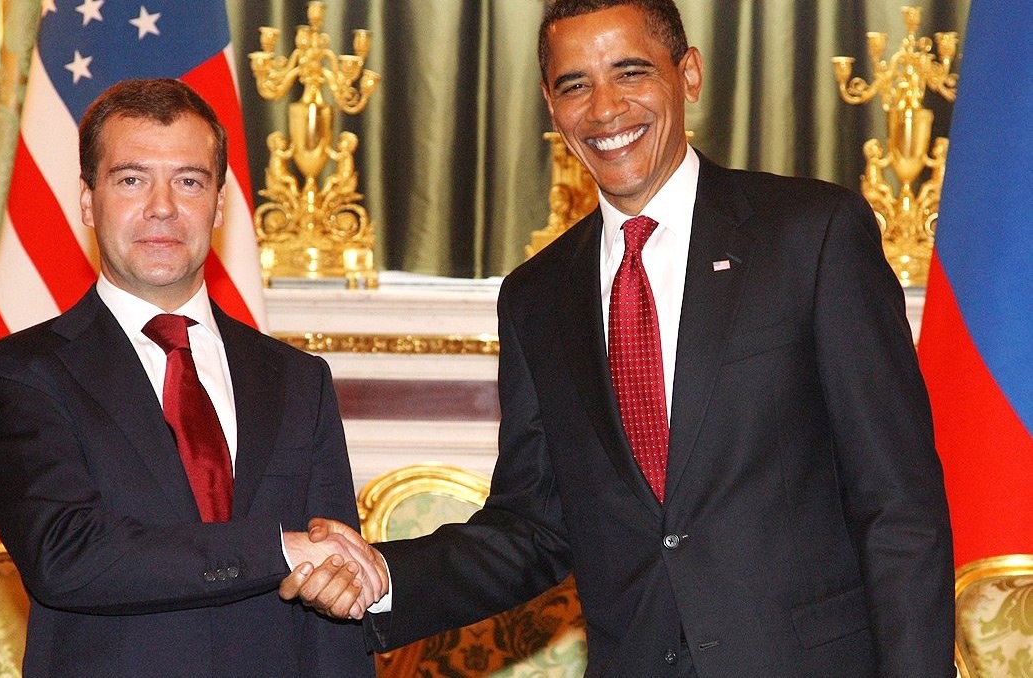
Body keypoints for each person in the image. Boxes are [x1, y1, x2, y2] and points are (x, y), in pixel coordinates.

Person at [285, 1, 955, 676]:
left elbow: (897, 504)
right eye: (574, 84)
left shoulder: (811, 234)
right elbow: (534, 527)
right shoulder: (536, 296)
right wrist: (382, 574)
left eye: (629, 72)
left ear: (687, 74)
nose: (604, 109)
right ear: (550, 105)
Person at [0, 78, 382, 677]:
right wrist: (275, 547)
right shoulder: (20, 375)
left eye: (189, 181)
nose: (162, 207)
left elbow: (333, 589)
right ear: (87, 201)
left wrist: (342, 579)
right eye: (131, 179)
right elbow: (66, 555)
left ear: (218, 206)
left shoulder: (299, 380)